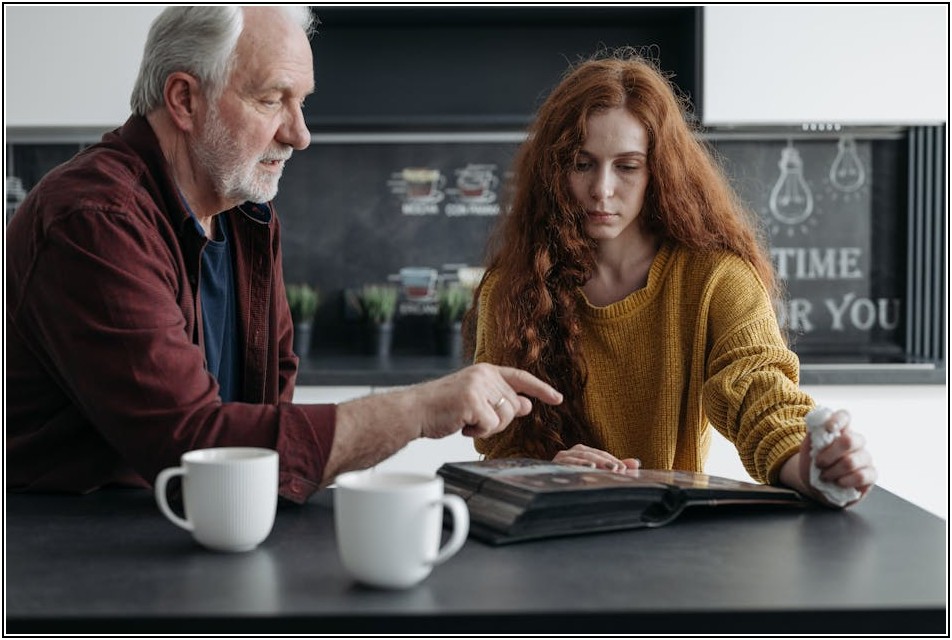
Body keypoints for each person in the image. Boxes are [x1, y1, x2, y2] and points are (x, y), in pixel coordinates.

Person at [5, 6, 562, 504]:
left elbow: (272, 414)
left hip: (193, 534)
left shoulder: (245, 214)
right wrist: (418, 410)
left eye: (302, 103)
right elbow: (196, 449)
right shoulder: (96, 220)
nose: (300, 134)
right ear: (184, 99)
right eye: (272, 99)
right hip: (70, 560)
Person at [466, 49, 876, 508]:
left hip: (670, 536)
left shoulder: (716, 279)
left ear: (658, 171)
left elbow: (760, 394)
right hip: (544, 532)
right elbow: (499, 445)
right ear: (555, 169)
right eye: (582, 163)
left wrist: (812, 465)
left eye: (626, 166)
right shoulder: (513, 283)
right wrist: (549, 472)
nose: (602, 188)